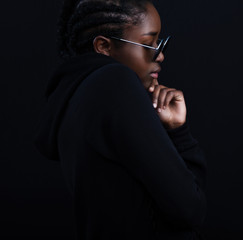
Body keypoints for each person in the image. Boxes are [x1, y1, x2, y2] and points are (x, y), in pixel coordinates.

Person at [34, 0, 207, 239]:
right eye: (148, 43)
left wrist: (173, 127)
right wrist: (181, 135)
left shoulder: (76, 95)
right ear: (104, 46)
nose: (161, 55)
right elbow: (189, 208)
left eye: (160, 43)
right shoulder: (115, 82)